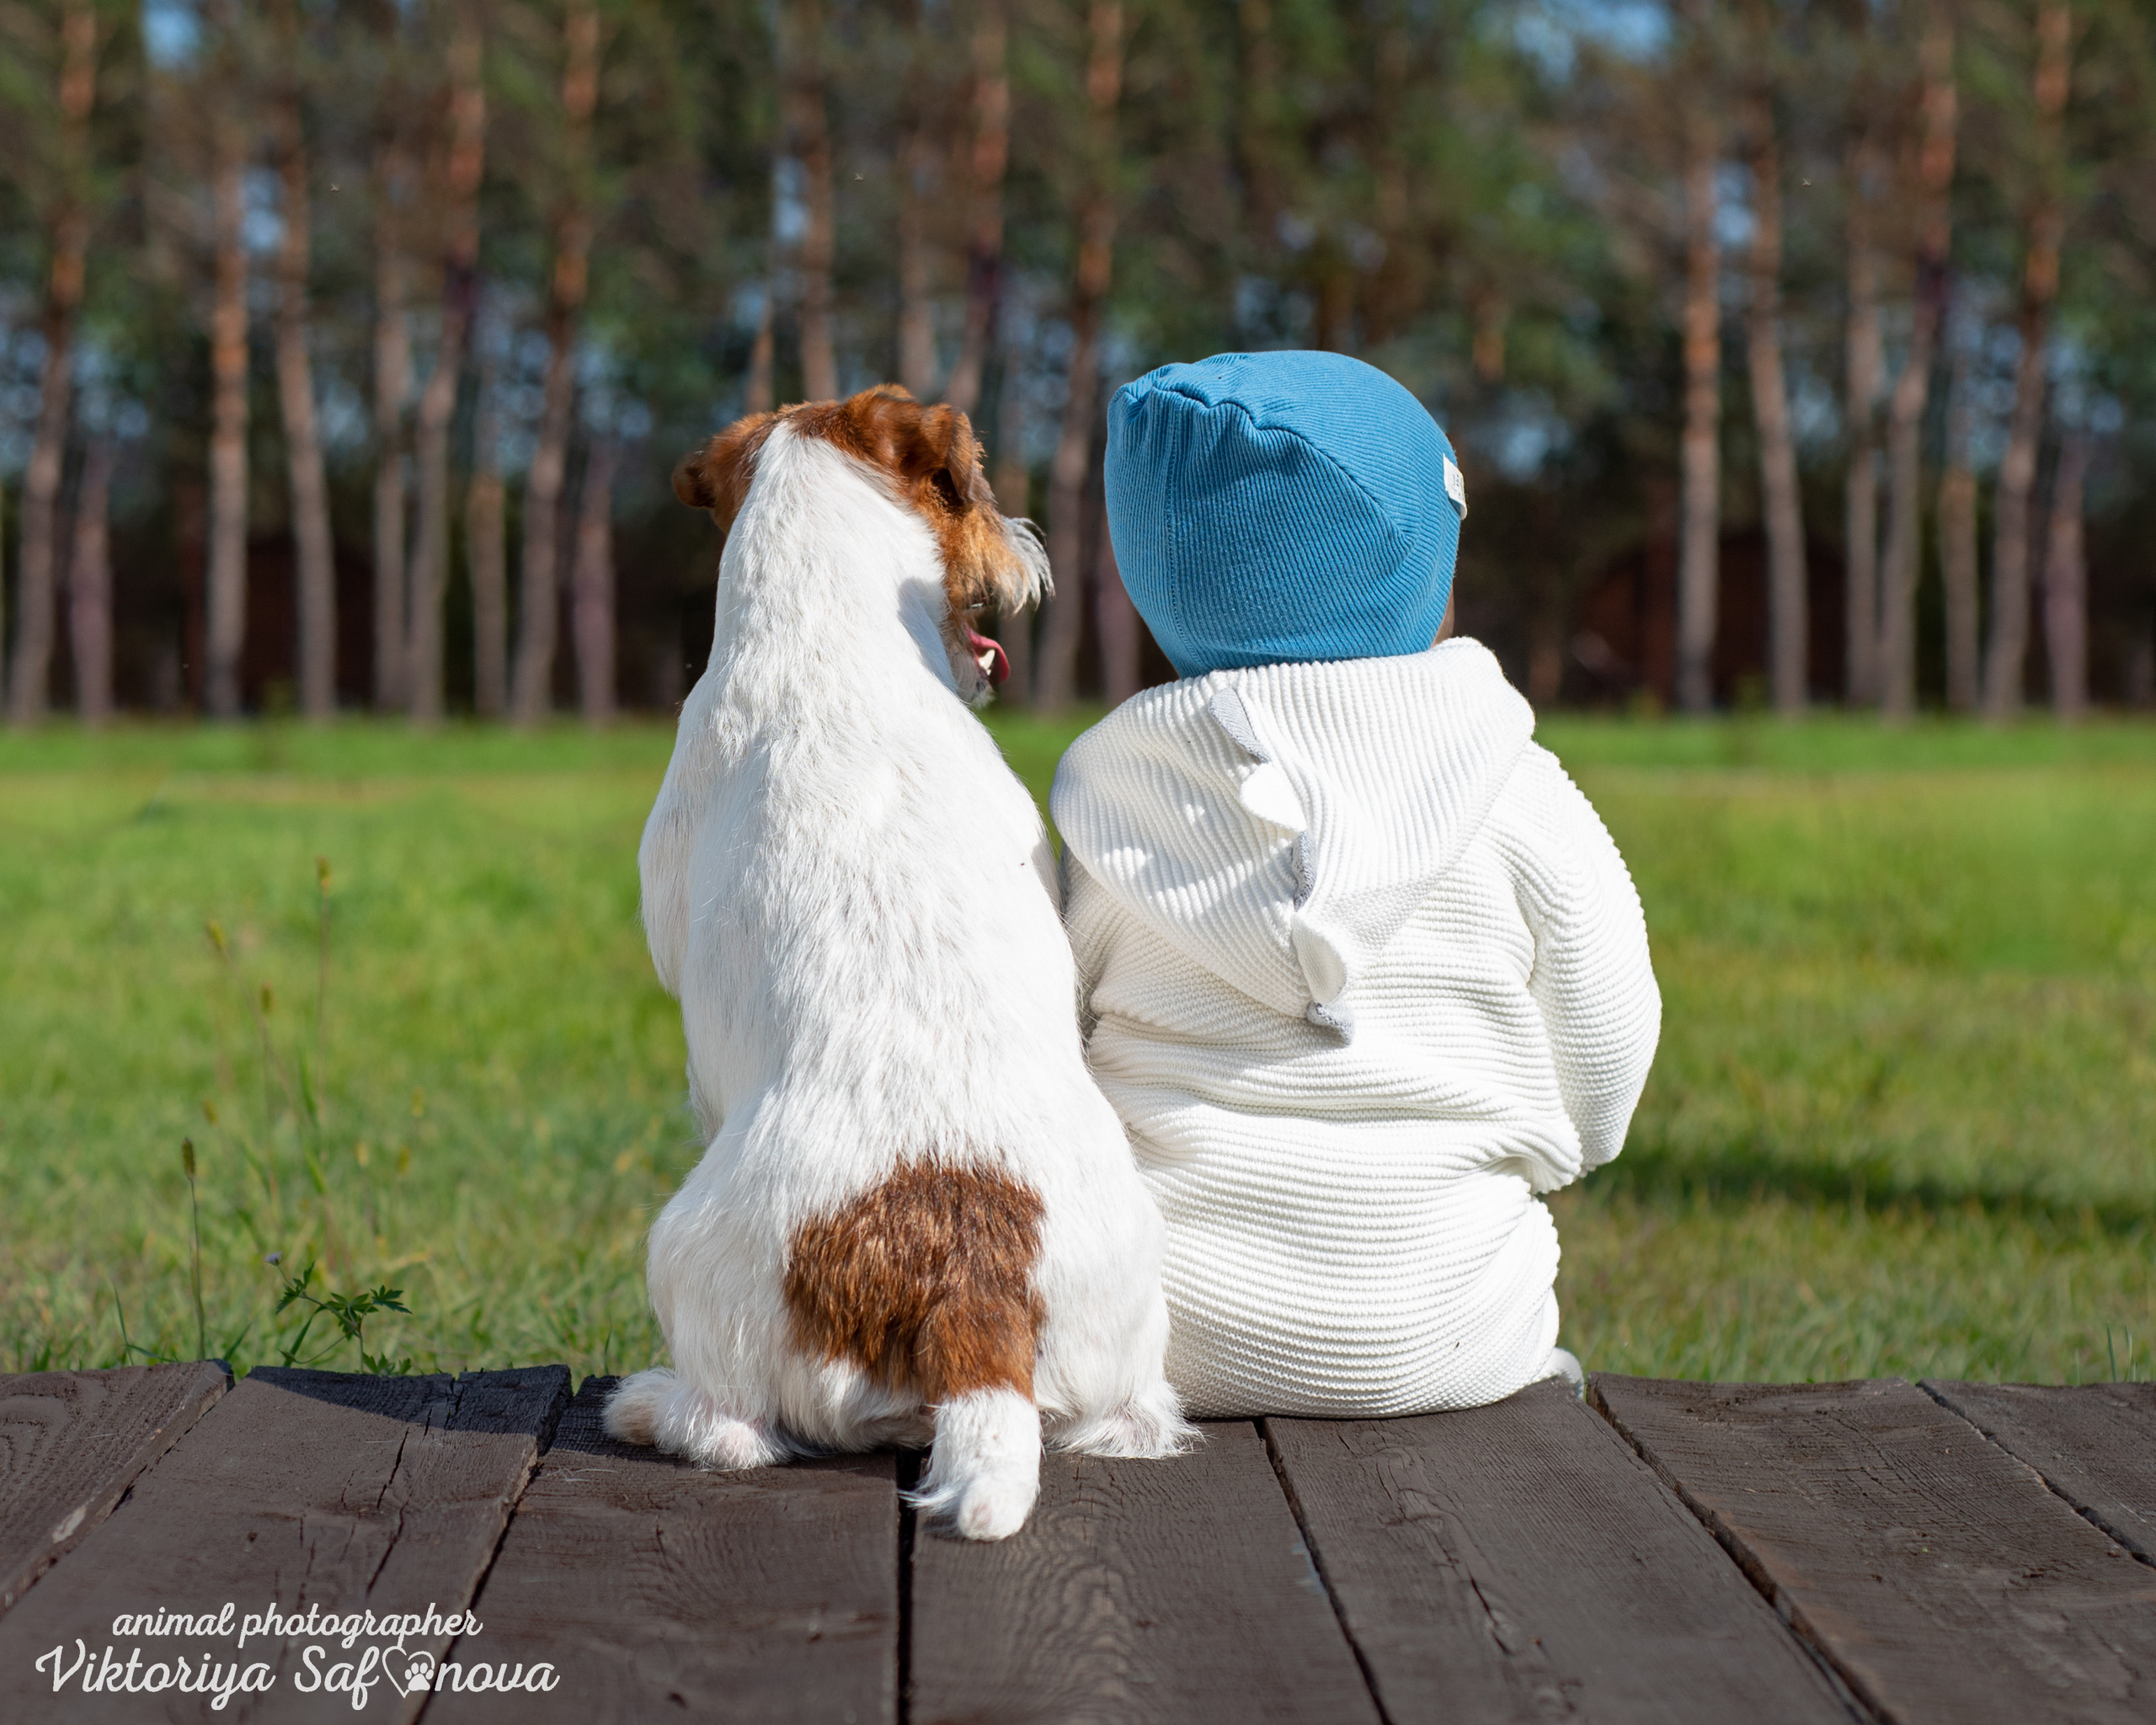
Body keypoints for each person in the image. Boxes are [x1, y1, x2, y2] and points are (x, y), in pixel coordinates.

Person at [1050, 350, 1661, 1417]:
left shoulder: (1108, 803)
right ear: (1422, 560)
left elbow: (1042, 1053)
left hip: (1152, 1336)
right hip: (1457, 1330)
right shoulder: (1517, 792)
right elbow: (1604, 1071)